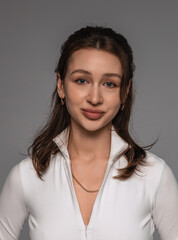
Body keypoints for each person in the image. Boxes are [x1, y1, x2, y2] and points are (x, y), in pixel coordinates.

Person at [0, 26, 178, 240]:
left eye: (110, 84)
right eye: (82, 80)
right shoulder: (26, 176)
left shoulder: (154, 175)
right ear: (61, 85)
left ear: (125, 92)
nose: (95, 98)